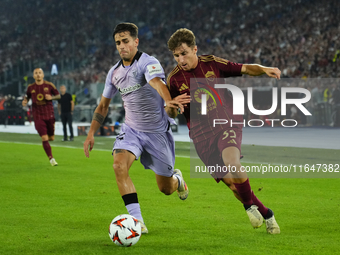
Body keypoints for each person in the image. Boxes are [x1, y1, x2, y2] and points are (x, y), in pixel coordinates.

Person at [166, 28, 281, 234]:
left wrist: (264, 69)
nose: (180, 59)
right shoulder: (174, 79)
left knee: (232, 162)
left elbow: (245, 68)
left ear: (195, 49)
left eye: (183, 53)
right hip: (201, 136)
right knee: (233, 185)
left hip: (226, 122)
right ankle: (267, 213)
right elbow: (171, 113)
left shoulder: (212, 63)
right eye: (176, 55)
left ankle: (248, 207)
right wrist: (172, 105)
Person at [83, 23, 189, 234]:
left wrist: (168, 101)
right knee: (118, 166)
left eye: (125, 41)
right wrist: (91, 132)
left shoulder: (148, 63)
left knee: (165, 189)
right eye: (118, 43)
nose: (122, 46)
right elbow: (103, 106)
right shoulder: (113, 73)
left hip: (157, 132)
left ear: (135, 41)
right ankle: (137, 221)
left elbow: (158, 83)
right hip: (131, 130)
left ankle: (177, 180)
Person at [22, 68, 60, 166]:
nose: (38, 75)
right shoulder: (30, 87)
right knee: (44, 137)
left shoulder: (49, 85)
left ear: (43, 75)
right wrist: (25, 101)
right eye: (36, 73)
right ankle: (51, 159)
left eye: (40, 73)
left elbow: (58, 96)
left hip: (49, 114)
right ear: (33, 76)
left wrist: (51, 97)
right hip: (38, 115)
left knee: (51, 138)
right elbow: (27, 96)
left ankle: (47, 142)